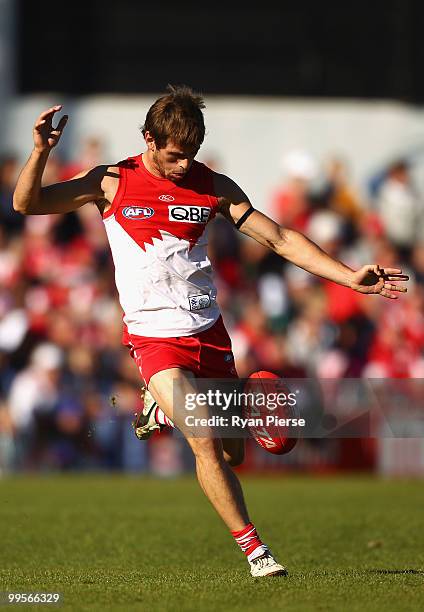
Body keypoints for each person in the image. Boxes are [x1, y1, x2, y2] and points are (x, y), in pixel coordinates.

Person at [13, 85, 408, 577]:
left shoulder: (213, 186)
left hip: (208, 331)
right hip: (153, 338)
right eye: (176, 156)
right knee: (201, 437)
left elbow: (280, 238)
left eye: (192, 155)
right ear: (149, 139)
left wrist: (348, 274)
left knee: (229, 451)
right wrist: (40, 153)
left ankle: (229, 397)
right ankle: (257, 552)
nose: (184, 166)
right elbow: (28, 204)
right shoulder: (111, 180)